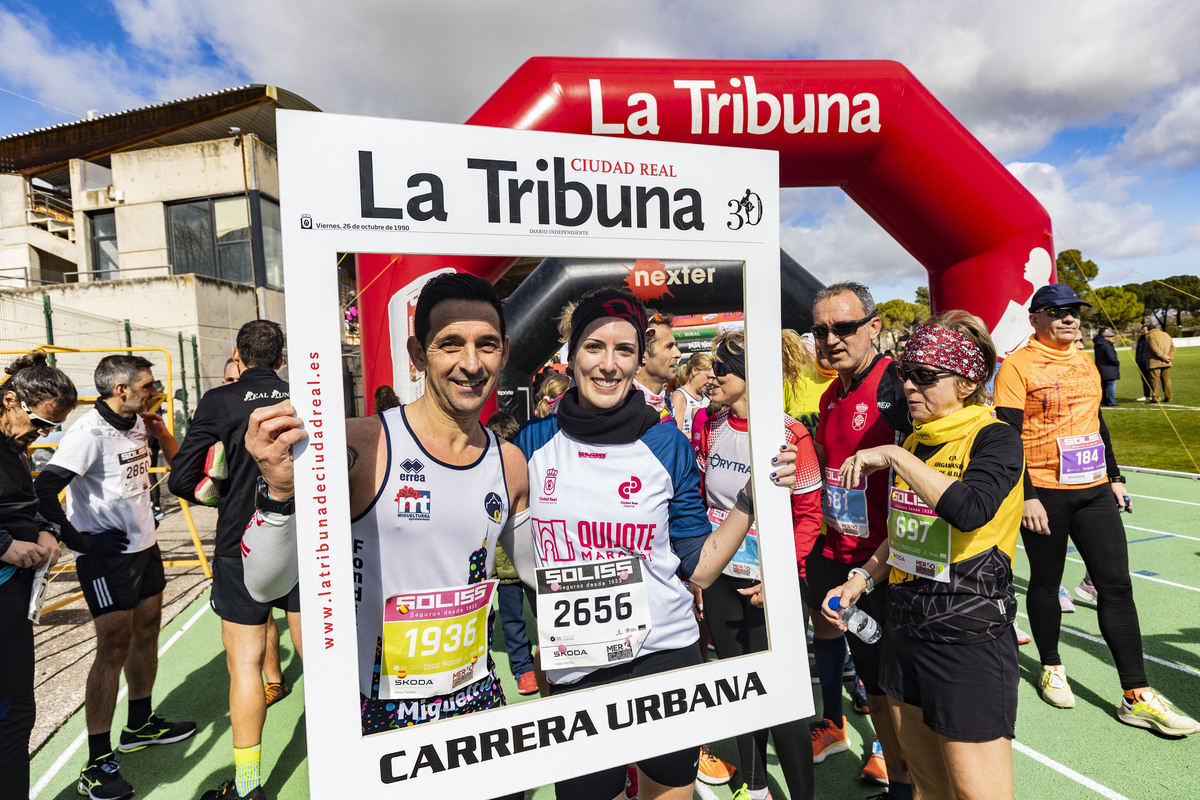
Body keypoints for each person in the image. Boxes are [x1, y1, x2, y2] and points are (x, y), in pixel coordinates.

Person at [240, 273, 528, 800]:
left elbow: (538, 573)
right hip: (373, 711)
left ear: (504, 351)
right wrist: (279, 491)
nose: (471, 363)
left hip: (477, 701)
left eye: (486, 344)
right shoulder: (360, 444)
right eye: (450, 344)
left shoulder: (509, 462)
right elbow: (264, 583)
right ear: (417, 354)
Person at [513, 287, 767, 800]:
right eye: (594, 347)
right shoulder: (532, 443)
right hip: (576, 658)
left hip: (664, 652)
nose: (609, 364)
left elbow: (696, 568)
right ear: (570, 355)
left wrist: (750, 497)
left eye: (624, 350)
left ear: (637, 359)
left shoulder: (664, 441)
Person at [820, 312, 1024, 798]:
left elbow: (968, 510)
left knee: (978, 793)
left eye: (926, 377)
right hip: (904, 626)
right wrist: (863, 579)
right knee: (925, 785)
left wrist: (894, 456)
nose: (909, 386)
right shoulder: (917, 440)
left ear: (969, 380)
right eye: (906, 374)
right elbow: (907, 536)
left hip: (966, 634)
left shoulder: (994, 437)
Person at [994, 284, 1198, 736]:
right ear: (1036, 319)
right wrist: (1025, 493)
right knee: (1047, 584)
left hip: (1094, 489)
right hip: (1044, 491)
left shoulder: (1084, 361)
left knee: (1116, 586)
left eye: (1074, 311)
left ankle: (1137, 695)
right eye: (1057, 311)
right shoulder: (1016, 366)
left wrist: (1116, 476)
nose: (1070, 318)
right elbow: (1006, 436)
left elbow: (1096, 423)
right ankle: (1051, 665)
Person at [35, 355, 195, 800]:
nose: (155, 390)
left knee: (147, 631)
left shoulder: (140, 421)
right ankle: (96, 760)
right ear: (120, 389)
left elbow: (138, 475)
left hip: (145, 549)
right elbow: (45, 488)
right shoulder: (87, 433)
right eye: (148, 384)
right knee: (113, 648)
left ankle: (140, 723)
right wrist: (77, 540)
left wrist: (152, 508)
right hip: (106, 559)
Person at [168, 321, 302, 800]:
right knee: (321, 659)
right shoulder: (301, 394)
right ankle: (346, 759)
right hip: (307, 539)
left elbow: (182, 479)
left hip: (240, 543)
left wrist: (219, 489)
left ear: (237, 355)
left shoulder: (219, 401)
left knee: (245, 665)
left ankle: (248, 788)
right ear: (281, 357)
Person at [696, 330, 820, 800]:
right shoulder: (708, 425)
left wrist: (780, 579)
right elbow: (706, 501)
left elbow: (809, 516)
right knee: (736, 684)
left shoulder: (790, 433)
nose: (711, 376)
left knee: (783, 696)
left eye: (722, 368)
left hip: (774, 585)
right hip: (723, 578)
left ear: (751, 376)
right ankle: (755, 786)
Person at [807, 281, 913, 795]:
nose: (830, 339)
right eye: (821, 330)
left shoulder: (898, 388)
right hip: (840, 552)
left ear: (873, 327)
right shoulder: (833, 392)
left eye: (843, 327)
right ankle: (852, 733)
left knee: (891, 677)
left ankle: (898, 765)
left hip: (888, 562)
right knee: (864, 664)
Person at [0, 353, 76, 800]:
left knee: (18, 714)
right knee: (12, 714)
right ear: (10, 400)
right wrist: (5, 543)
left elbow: (27, 499)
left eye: (51, 429)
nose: (42, 434)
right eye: (39, 423)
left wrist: (48, 530)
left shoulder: (13, 444)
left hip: (16, 592)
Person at [484, 411, 539, 697]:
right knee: (515, 616)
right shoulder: (489, 470)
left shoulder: (522, 466)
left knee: (521, 615)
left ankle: (529, 667)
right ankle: (524, 669)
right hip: (507, 565)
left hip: (521, 558)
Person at [632, 309, 682, 419]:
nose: (678, 354)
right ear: (643, 356)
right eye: (669, 346)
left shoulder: (668, 404)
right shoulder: (623, 408)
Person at [670, 353, 714, 439]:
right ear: (694, 371)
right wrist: (703, 433)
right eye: (708, 377)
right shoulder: (680, 396)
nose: (711, 382)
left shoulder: (705, 397)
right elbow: (675, 434)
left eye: (712, 378)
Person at [1144, 318, 1175, 404]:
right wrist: (1170, 357)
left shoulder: (1150, 336)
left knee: (1155, 381)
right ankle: (1169, 397)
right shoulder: (1166, 334)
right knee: (1167, 380)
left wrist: (1164, 357)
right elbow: (1173, 347)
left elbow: (1155, 349)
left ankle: (1156, 398)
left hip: (1155, 362)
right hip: (1166, 362)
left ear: (1150, 328)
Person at [1092, 328, 1120, 407]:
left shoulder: (1098, 344)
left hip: (1101, 368)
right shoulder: (1107, 345)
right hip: (1109, 369)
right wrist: (1117, 362)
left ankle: (1104, 400)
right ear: (1106, 337)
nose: (1112, 338)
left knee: (1103, 386)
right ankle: (1111, 402)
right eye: (1111, 337)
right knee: (1111, 386)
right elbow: (1111, 357)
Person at [1134, 322, 1152, 401]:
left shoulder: (1150, 337)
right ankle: (1146, 395)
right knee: (1144, 379)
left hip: (1148, 362)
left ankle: (1156, 395)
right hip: (1140, 362)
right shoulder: (1141, 338)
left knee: (1152, 379)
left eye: (1143, 329)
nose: (1142, 331)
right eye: (1141, 329)